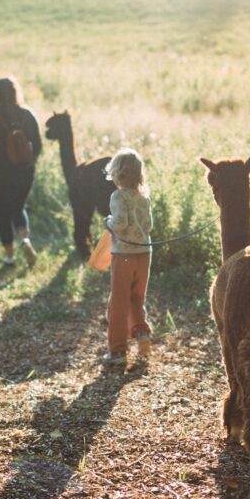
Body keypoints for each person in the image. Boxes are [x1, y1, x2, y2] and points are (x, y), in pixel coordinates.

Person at [0, 76, 42, 267]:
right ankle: (25, 240)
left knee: (3, 214)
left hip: (0, 173)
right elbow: (37, 146)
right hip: (24, 172)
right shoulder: (27, 114)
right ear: (15, 93)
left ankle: (10, 256)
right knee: (19, 207)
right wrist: (29, 164)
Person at [103, 148, 153, 365]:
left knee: (118, 301)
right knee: (137, 297)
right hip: (144, 252)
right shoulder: (143, 197)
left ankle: (117, 351)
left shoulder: (118, 196)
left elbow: (120, 223)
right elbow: (149, 225)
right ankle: (142, 336)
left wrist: (108, 223)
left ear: (117, 174)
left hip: (124, 254)